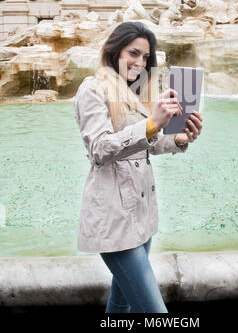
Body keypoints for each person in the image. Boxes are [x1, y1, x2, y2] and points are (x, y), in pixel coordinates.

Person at [74, 21, 203, 313]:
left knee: (120, 306)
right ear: (115, 50)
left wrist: (180, 138)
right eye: (133, 53)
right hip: (114, 217)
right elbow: (99, 149)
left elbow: (151, 143)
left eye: (146, 57)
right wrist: (152, 123)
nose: (140, 63)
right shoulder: (92, 88)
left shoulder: (132, 93)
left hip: (141, 215)